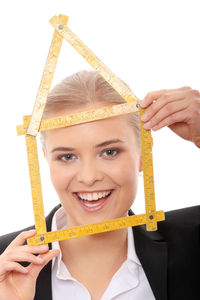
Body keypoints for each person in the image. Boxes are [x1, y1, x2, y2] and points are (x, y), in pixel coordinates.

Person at [0, 71, 199, 300]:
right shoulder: (4, 266)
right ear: (46, 159)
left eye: (109, 152)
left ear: (144, 152)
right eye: (67, 157)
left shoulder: (193, 244)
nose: (88, 177)